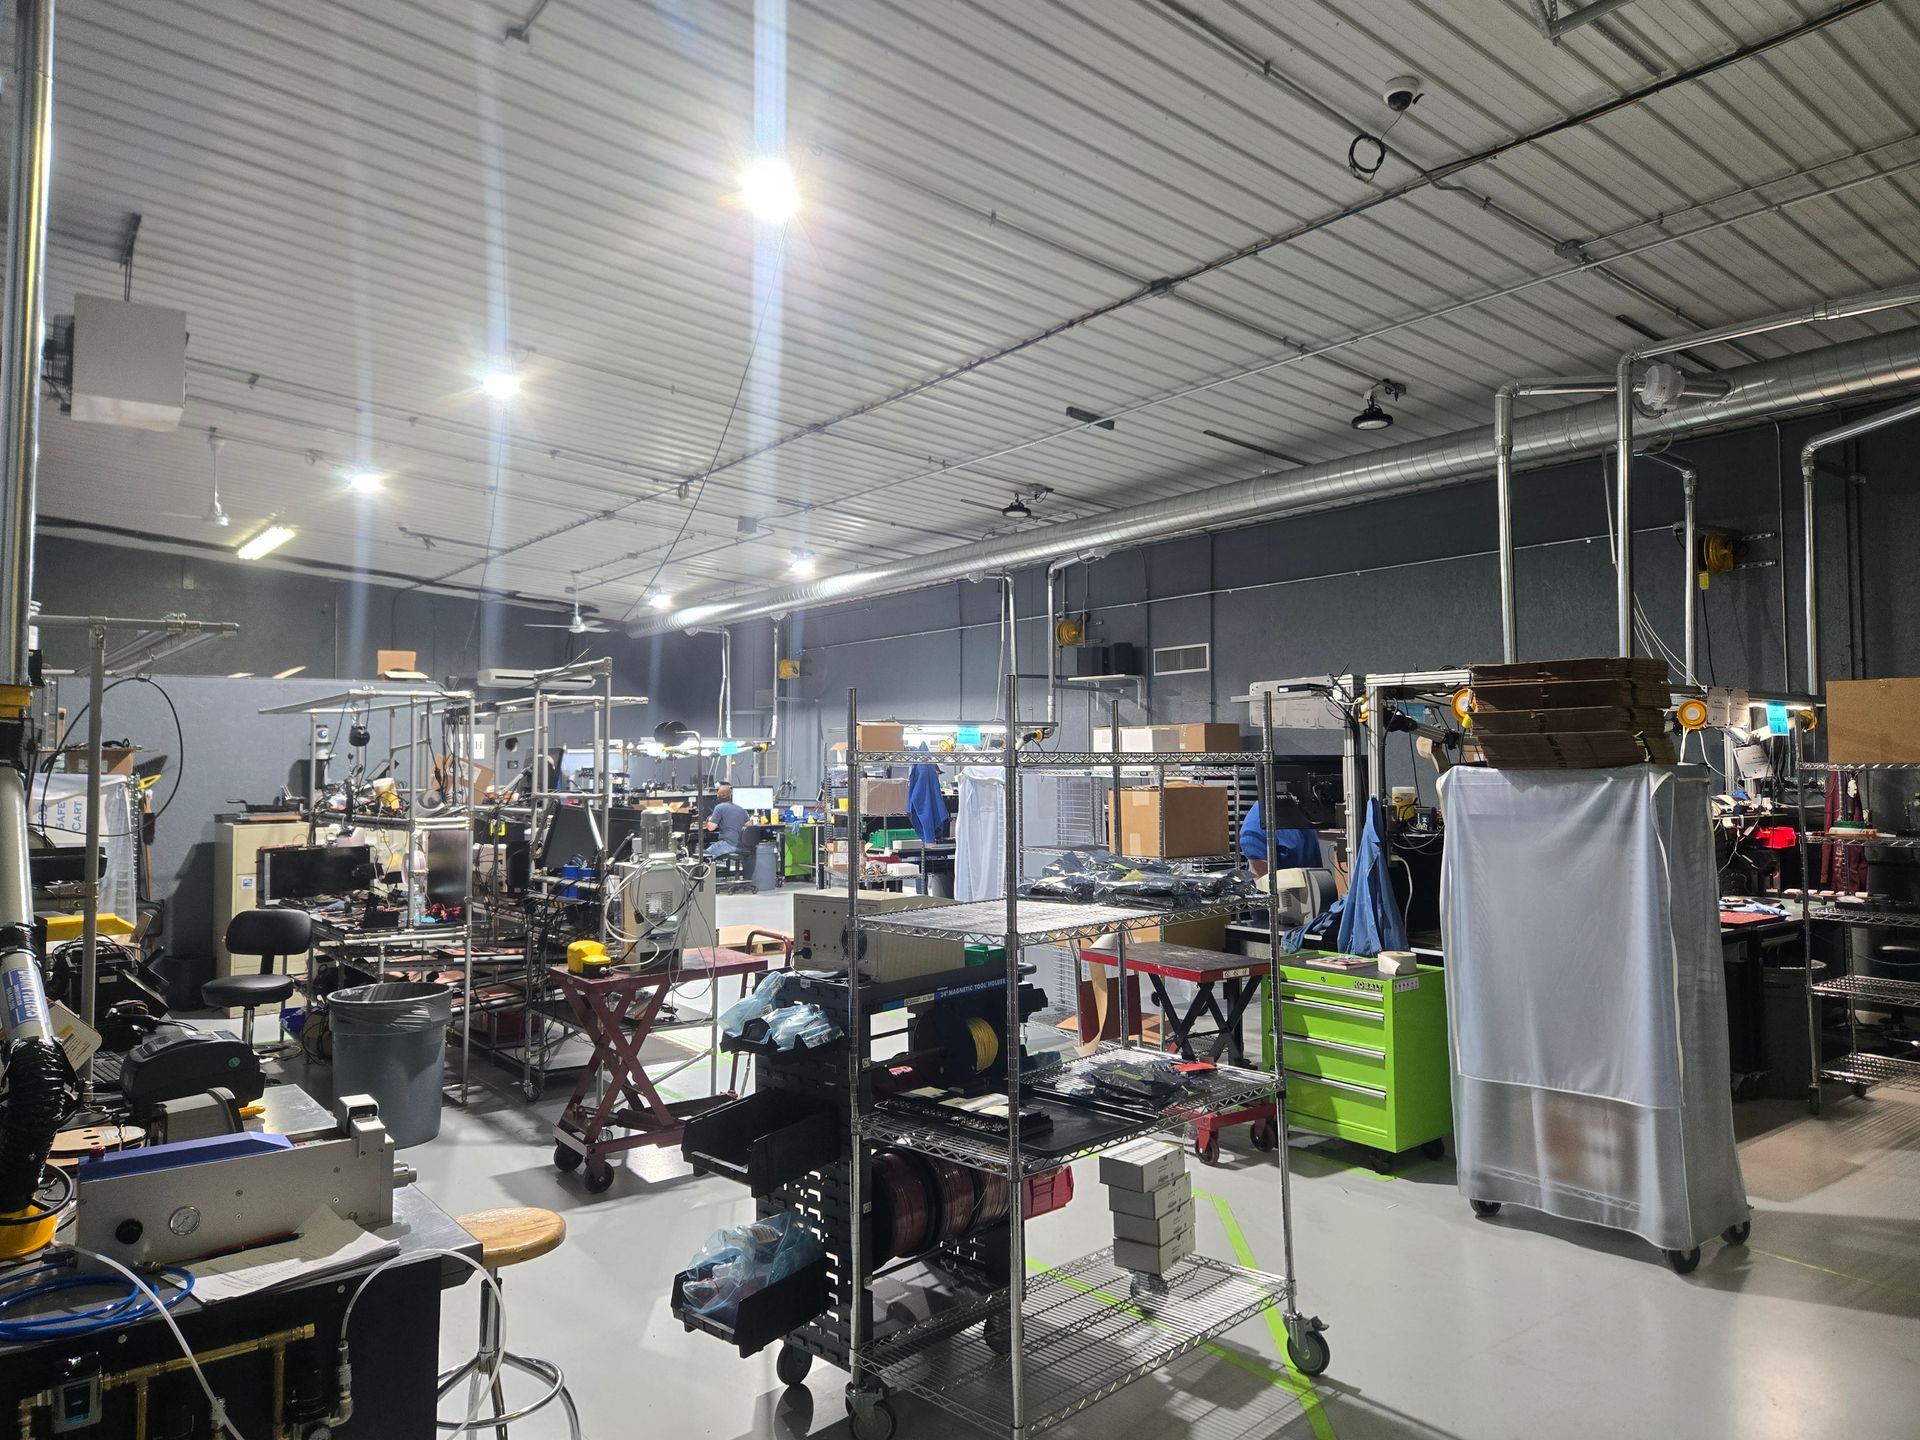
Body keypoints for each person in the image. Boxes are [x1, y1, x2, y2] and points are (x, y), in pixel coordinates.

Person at [1238, 801, 1322, 877]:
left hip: (1316, 887)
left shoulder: (1300, 812)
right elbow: (1263, 885)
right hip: (1288, 892)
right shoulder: (1255, 830)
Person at [705, 784, 748, 856]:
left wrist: (710, 820)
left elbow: (711, 828)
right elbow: (750, 825)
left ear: (718, 796)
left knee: (705, 856)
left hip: (728, 844)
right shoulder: (740, 809)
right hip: (741, 845)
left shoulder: (719, 808)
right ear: (731, 796)